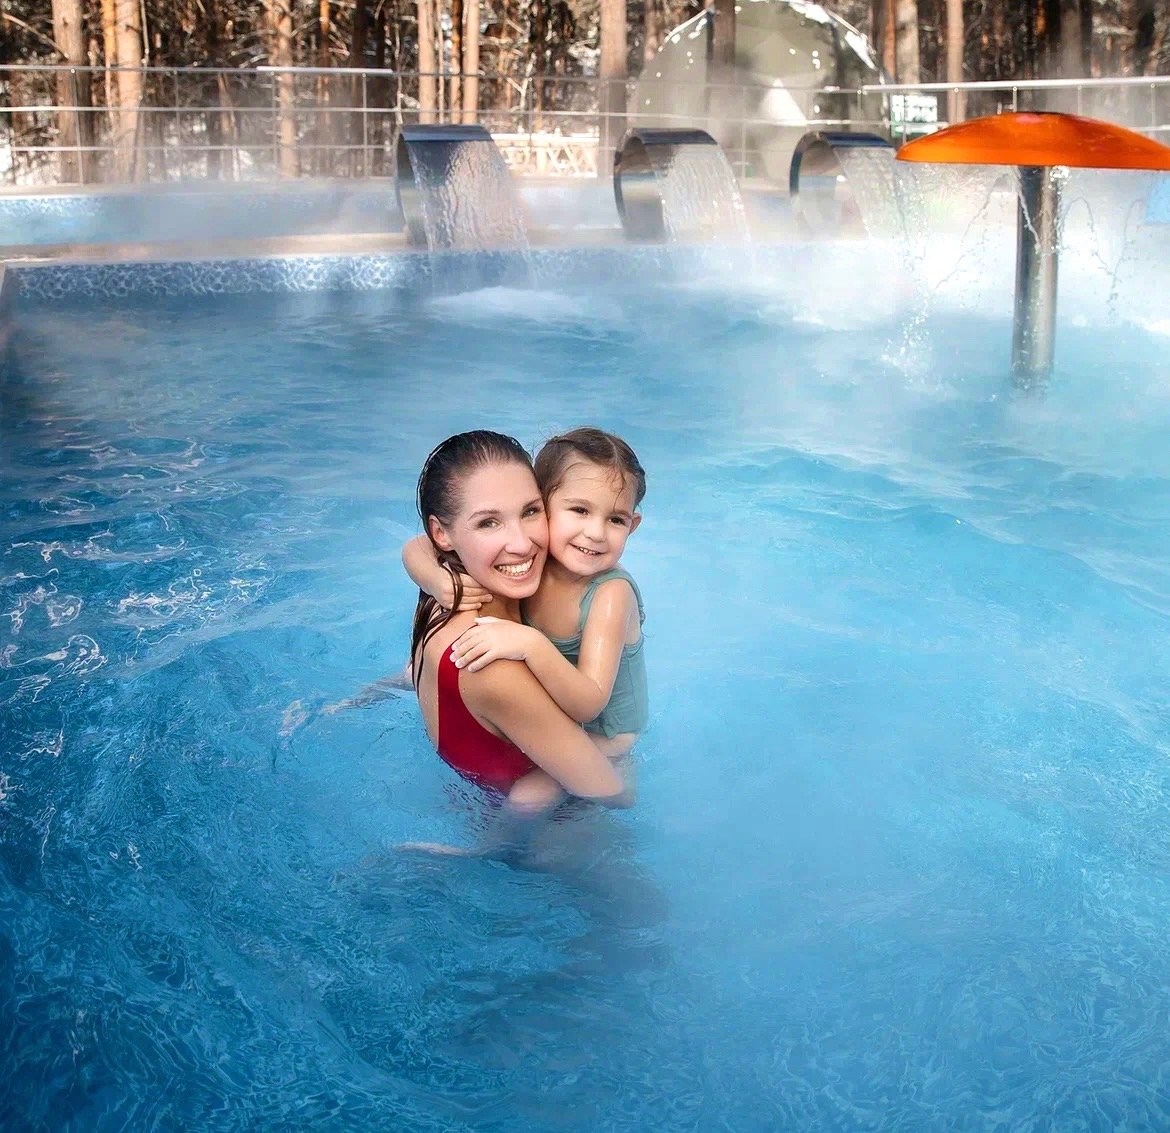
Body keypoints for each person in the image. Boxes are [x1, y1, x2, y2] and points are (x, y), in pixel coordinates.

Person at [404, 427, 647, 813]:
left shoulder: (604, 591)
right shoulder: (534, 567)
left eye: (529, 512)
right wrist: (436, 580)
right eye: (488, 522)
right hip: (561, 723)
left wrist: (530, 644)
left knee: (533, 794)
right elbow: (417, 546)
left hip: (609, 735)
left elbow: (589, 707)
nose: (595, 533)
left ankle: (484, 844)